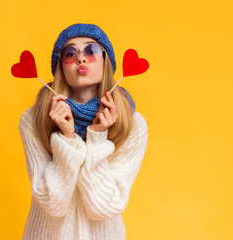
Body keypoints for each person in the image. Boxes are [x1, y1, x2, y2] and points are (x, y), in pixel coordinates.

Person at [19, 23, 148, 240]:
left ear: (106, 61)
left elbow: (104, 207)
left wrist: (97, 139)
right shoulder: (33, 119)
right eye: (70, 54)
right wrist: (67, 138)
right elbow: (53, 203)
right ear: (60, 66)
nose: (81, 59)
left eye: (91, 51)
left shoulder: (133, 124)